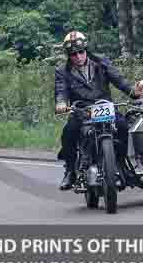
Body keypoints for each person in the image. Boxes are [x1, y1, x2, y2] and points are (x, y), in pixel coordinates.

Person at [54, 31, 136, 190]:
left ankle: (121, 164)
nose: (78, 56)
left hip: (105, 107)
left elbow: (119, 79)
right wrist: (61, 103)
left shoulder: (101, 62)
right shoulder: (62, 70)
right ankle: (70, 171)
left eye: (81, 52)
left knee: (123, 126)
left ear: (86, 50)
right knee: (69, 132)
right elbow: (60, 90)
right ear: (68, 55)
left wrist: (134, 92)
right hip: (81, 111)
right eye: (73, 54)